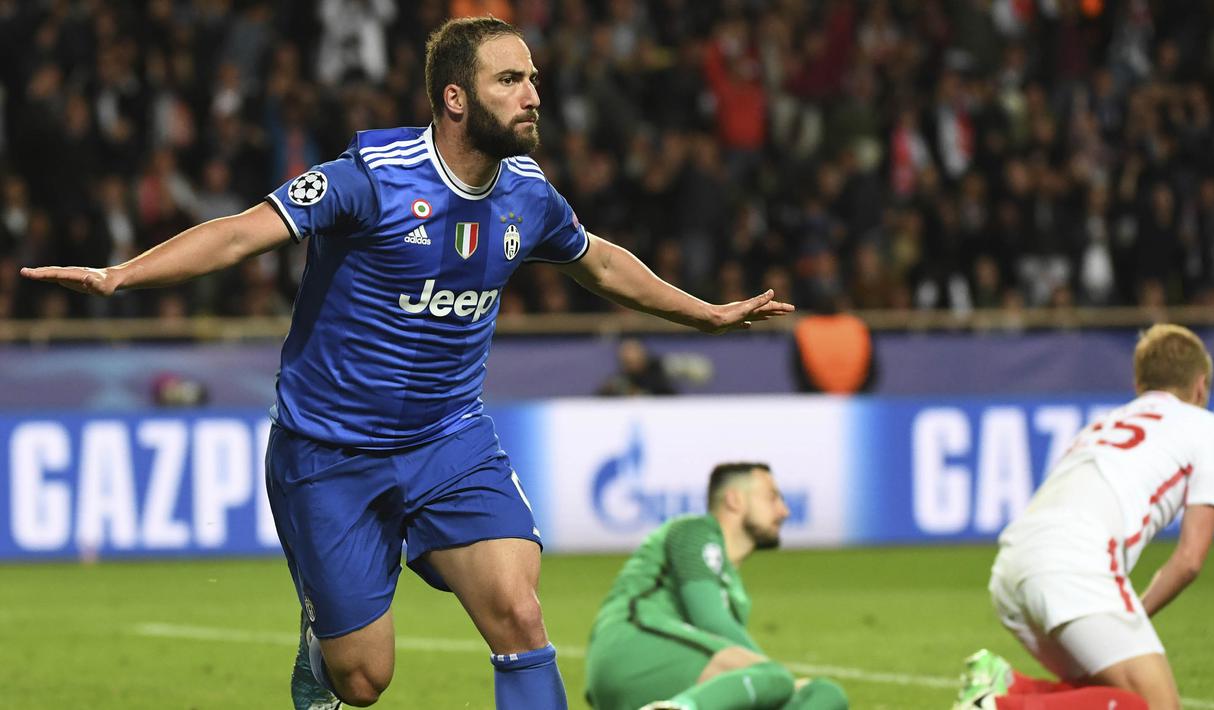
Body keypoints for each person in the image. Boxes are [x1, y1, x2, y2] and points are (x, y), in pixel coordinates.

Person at [20, 17, 794, 710]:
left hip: (448, 440)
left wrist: (707, 312)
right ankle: (321, 652)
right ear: (456, 99)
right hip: (329, 450)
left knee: (519, 612)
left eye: (532, 79)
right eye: (510, 80)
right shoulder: (372, 178)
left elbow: (600, 264)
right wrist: (120, 275)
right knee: (363, 681)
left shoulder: (528, 195)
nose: (532, 95)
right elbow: (237, 234)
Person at [954, 324, 1214, 710]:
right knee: (1158, 706)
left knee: (1117, 697)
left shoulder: (1103, 424)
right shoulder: (1210, 428)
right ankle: (999, 707)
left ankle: (1010, 686)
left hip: (1013, 567)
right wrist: (1138, 612)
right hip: (1074, 564)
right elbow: (1188, 560)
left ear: (1140, 385)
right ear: (1200, 387)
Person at [584, 462, 848, 710]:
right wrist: (776, 679)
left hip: (678, 680)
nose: (784, 510)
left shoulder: (733, 590)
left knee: (826, 693)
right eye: (772, 497)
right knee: (776, 678)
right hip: (632, 648)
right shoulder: (694, 531)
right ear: (735, 499)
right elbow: (710, 619)